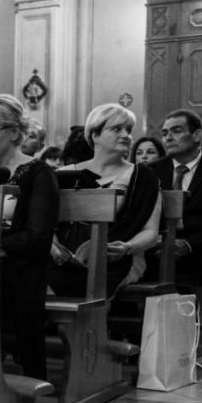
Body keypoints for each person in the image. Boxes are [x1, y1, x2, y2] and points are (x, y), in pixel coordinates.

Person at [0, 94, 58, 381]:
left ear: (13, 132)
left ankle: (13, 380)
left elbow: (38, 237)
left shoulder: (38, 173)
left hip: (20, 268)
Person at [49, 103, 161, 298]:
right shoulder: (64, 174)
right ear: (95, 135)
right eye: (117, 129)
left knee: (93, 282)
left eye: (128, 130)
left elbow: (151, 232)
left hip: (119, 259)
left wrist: (127, 248)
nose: (126, 135)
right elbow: (46, 221)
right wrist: (55, 247)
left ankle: (91, 317)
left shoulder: (143, 176)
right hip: (65, 255)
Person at [148, 109, 202, 372]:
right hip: (155, 247)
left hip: (201, 249)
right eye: (164, 133)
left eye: (176, 131)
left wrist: (189, 243)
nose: (168, 137)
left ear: (196, 135)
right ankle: (133, 347)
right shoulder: (151, 171)